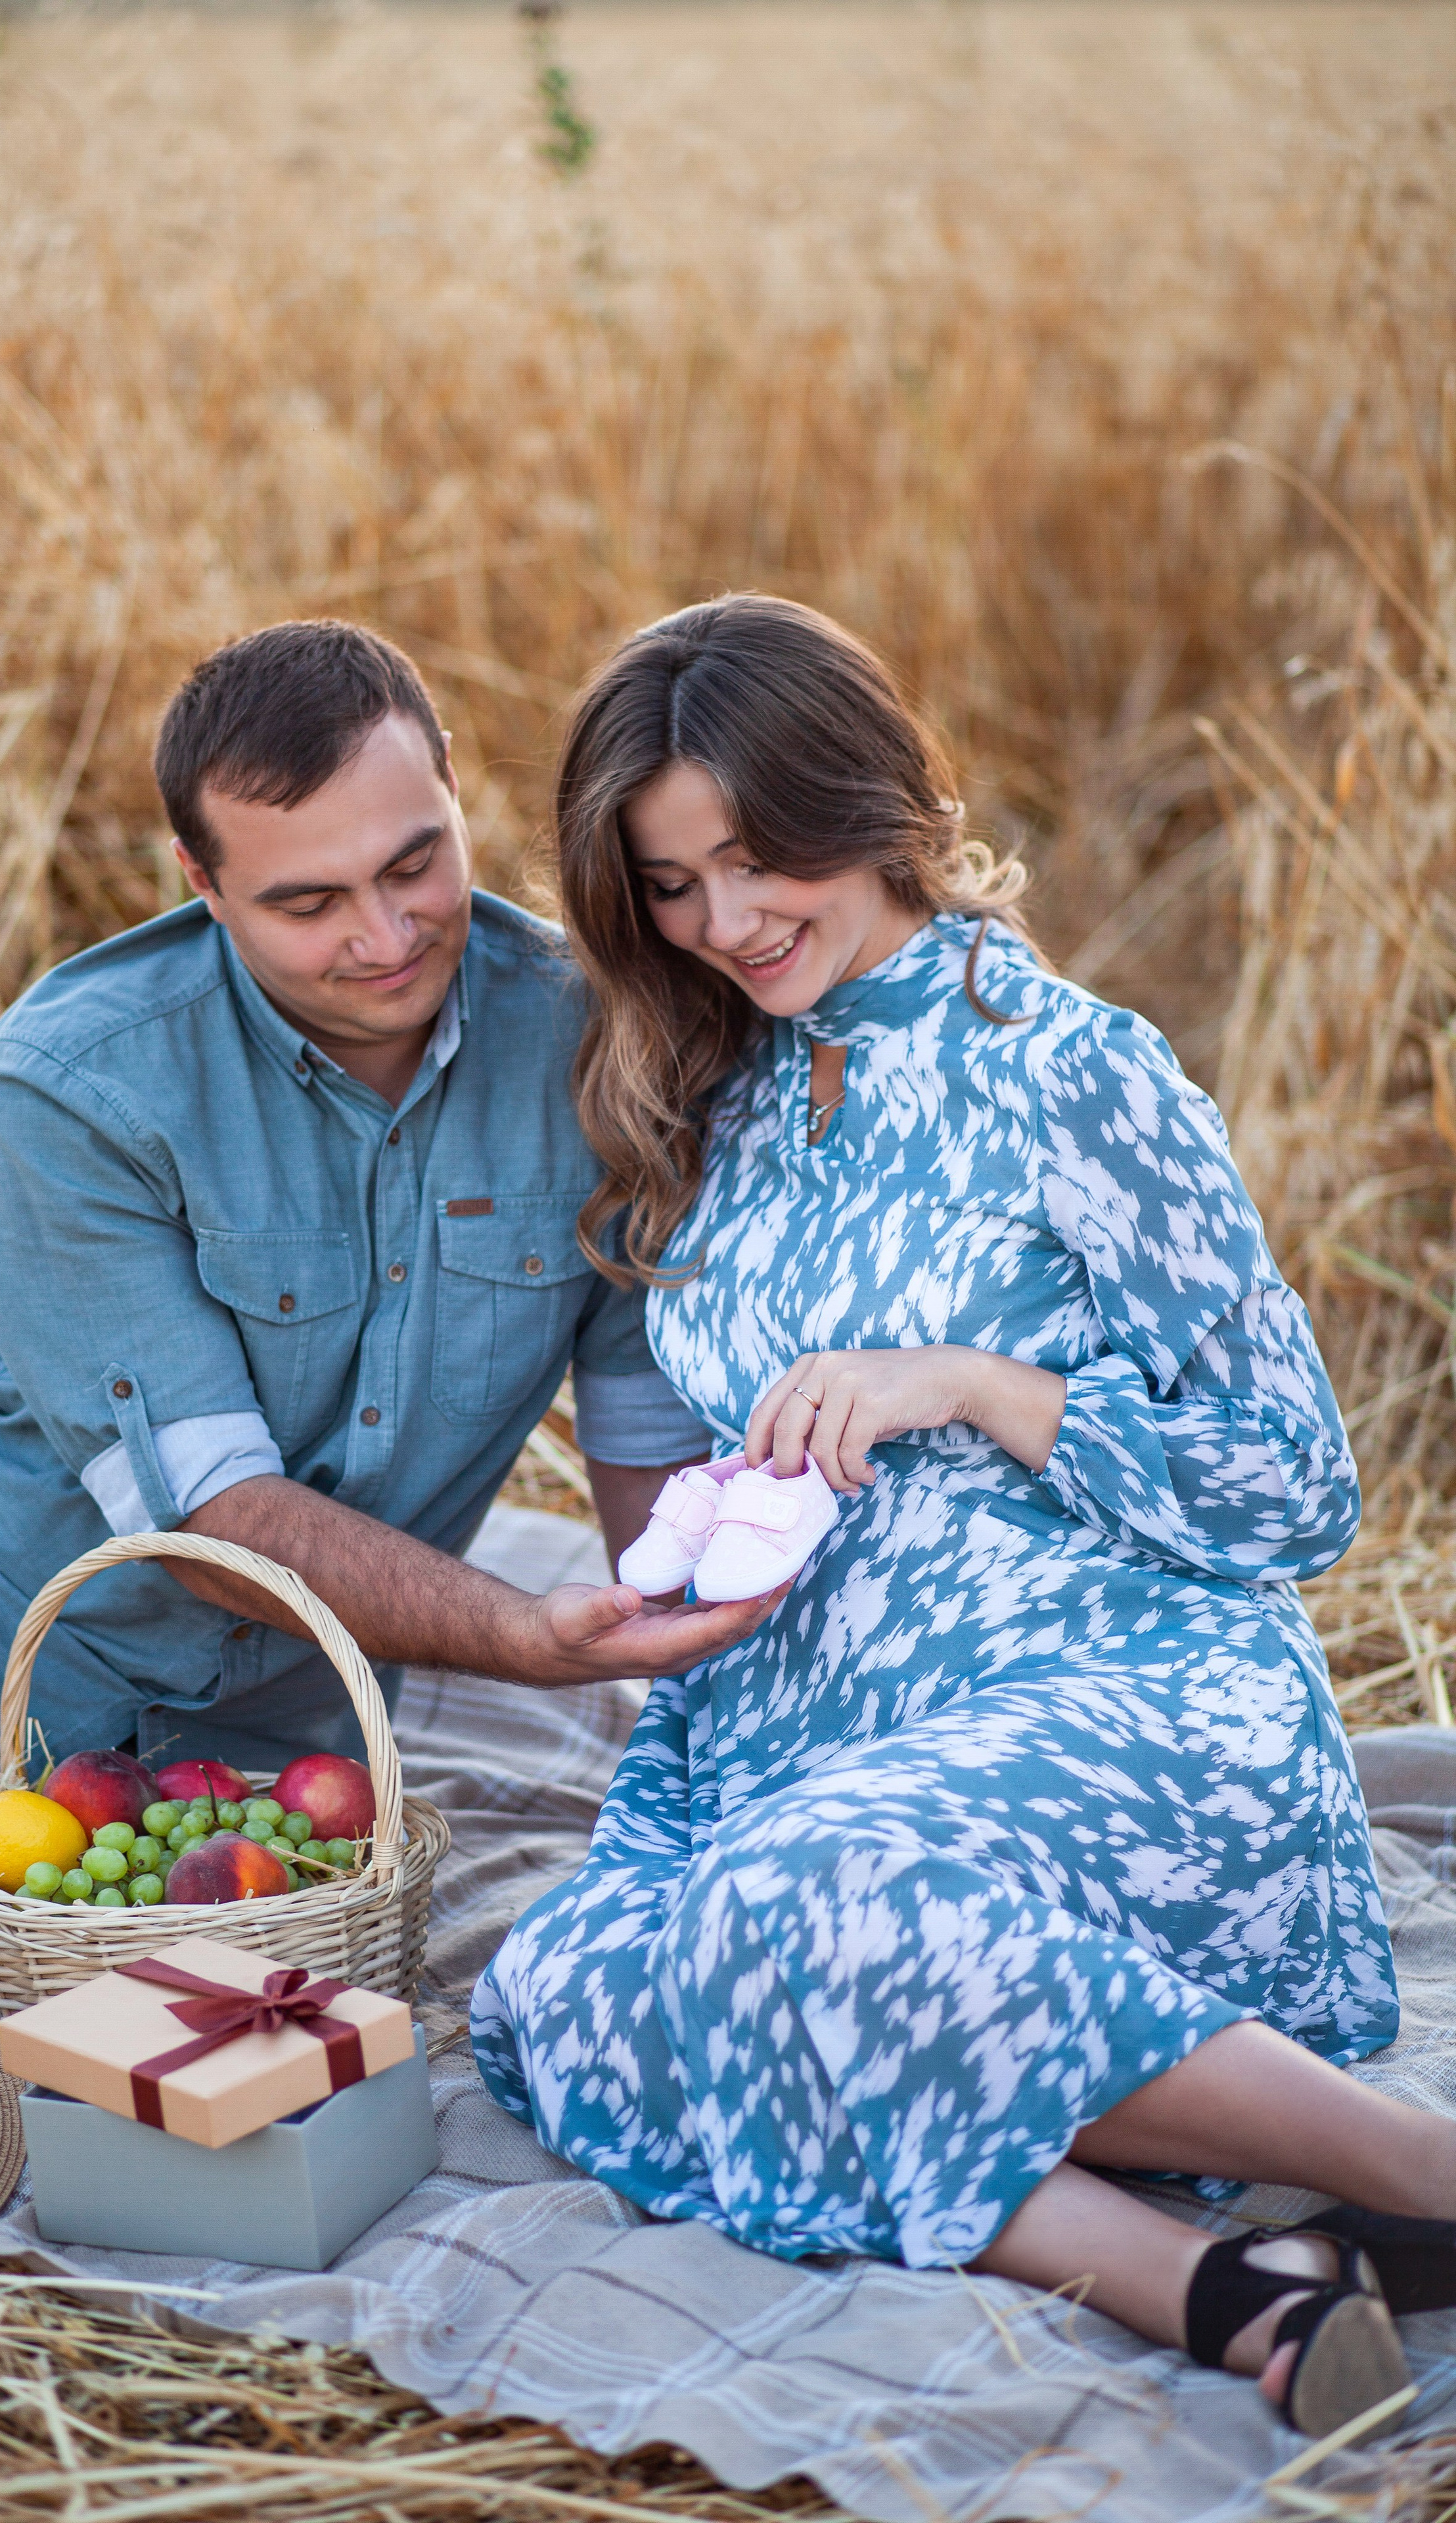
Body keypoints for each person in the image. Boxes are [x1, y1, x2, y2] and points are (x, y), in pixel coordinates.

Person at [472, 593, 1456, 2438]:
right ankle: (1228, 2284)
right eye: (671, 887)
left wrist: (978, 1385)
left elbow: (1295, 1480)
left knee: (797, 1913)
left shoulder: (1068, 1070)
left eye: (758, 860)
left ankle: (1418, 2172)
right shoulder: (723, 1091)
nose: (727, 923)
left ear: (869, 798)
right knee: (576, 1996)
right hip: (806, 1731)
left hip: (1122, 1694)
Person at [0, 620, 779, 1997]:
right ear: (201, 882)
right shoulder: (69, 1084)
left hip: (53, 1756)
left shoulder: (601, 1047)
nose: (382, 937)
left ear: (448, 791)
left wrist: (698, 1678)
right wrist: (513, 1635)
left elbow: (646, 1435)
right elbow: (209, 1525)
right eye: (307, 903)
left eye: (414, 861)